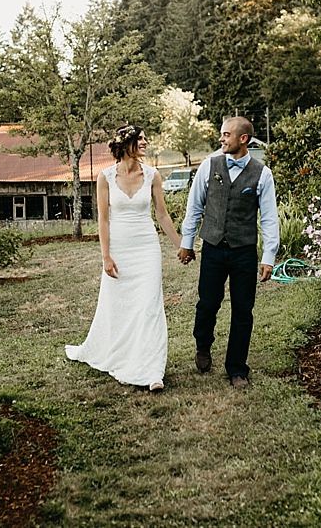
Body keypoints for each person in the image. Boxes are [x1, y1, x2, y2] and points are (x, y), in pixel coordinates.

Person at [65, 124, 183, 392]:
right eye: (140, 139)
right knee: (119, 306)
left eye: (144, 138)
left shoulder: (153, 176)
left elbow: (162, 215)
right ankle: (122, 354)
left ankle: (152, 369)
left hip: (146, 248)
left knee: (149, 306)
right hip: (119, 249)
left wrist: (182, 245)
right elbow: (103, 220)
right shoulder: (105, 177)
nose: (145, 142)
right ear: (126, 144)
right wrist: (106, 256)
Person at [178, 116, 279, 389]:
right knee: (207, 302)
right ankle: (203, 345)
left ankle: (237, 368)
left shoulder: (262, 174)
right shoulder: (209, 165)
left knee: (243, 310)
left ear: (242, 139)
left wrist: (268, 257)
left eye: (226, 135)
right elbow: (194, 206)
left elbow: (269, 218)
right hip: (212, 247)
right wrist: (187, 243)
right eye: (221, 135)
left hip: (244, 251)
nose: (221, 139)